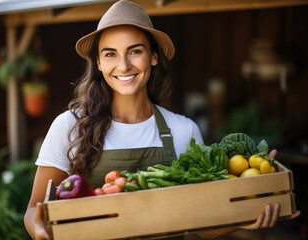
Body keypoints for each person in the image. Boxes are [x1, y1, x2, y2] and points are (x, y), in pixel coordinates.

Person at [24, 1, 300, 239]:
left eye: (135, 51)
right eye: (110, 54)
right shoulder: (69, 126)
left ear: (153, 57)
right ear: (98, 62)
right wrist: (40, 230)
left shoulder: (183, 131)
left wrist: (244, 216)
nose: (123, 65)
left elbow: (199, 224)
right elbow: (34, 209)